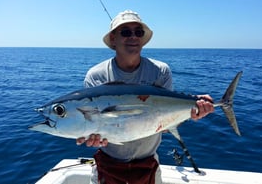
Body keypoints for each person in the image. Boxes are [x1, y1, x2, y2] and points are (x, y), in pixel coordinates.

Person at [77, 10, 214, 184]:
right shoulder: (96, 76)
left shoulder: (160, 71)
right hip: (108, 164)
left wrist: (192, 111)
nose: (133, 37)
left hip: (148, 164)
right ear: (113, 39)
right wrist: (93, 137)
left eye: (138, 32)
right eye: (126, 32)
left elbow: (163, 123)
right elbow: (95, 124)